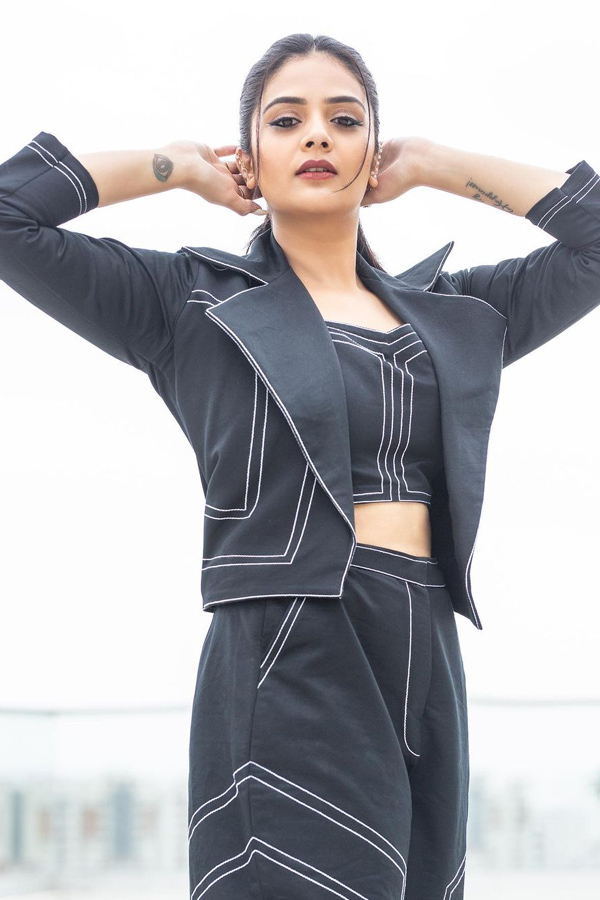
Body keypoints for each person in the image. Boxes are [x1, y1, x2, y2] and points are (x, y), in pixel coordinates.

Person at [2, 32, 600, 900]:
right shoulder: (189, 304)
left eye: (345, 120)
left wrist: (433, 164)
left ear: (373, 151)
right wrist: (178, 167)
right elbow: (10, 215)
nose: (317, 134)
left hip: (425, 642)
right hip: (290, 643)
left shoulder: (461, 312)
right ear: (251, 154)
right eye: (286, 120)